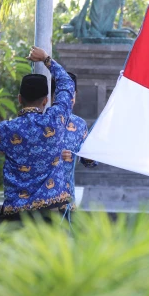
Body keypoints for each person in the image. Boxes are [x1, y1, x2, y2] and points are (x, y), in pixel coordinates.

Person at [0, 46, 75, 222]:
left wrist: (5, 146)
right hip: (51, 213)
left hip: (16, 214)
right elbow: (67, 83)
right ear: (46, 101)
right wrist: (46, 59)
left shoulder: (6, 130)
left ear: (19, 98)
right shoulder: (56, 120)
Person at [50, 73, 97, 202]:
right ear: (52, 96)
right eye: (64, 95)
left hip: (66, 198)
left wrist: (88, 155)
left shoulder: (79, 125)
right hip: (39, 200)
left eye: (72, 94)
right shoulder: (41, 121)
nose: (69, 99)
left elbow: (90, 163)